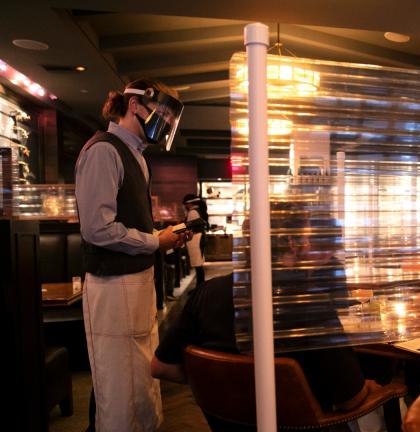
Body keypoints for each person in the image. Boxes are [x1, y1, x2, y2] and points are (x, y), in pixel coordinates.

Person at [151, 206, 379, 425]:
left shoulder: (207, 293)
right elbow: (352, 399)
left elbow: (161, 367)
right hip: (304, 425)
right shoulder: (309, 304)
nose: (311, 245)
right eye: (308, 238)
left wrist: (220, 383)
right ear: (292, 243)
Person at [75, 78, 186, 431]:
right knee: (118, 385)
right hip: (111, 284)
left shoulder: (135, 154)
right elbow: (97, 228)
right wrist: (155, 242)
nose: (165, 122)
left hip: (136, 281)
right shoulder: (104, 150)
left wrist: (159, 238)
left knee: (139, 377)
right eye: (163, 112)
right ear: (137, 105)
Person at [182, 194, 207, 286]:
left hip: (196, 238)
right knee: (198, 264)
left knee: (198, 265)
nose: (185, 206)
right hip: (198, 238)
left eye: (185, 204)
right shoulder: (198, 210)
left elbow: (190, 226)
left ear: (189, 203)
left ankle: (200, 287)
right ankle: (200, 286)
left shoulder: (193, 212)